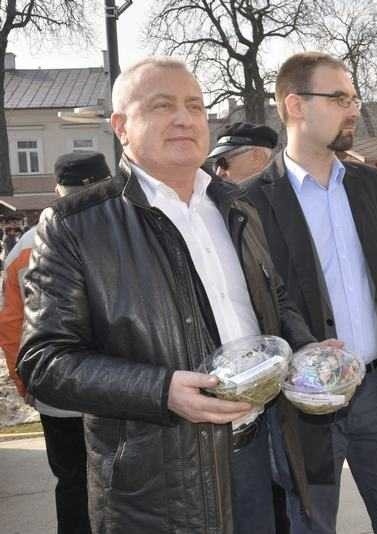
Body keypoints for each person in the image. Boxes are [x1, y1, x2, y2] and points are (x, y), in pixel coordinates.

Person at [16, 57, 326, 534]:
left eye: (195, 106)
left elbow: (274, 302)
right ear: (121, 126)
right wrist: (161, 391)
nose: (184, 118)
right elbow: (44, 364)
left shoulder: (236, 206)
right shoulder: (77, 226)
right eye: (162, 106)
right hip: (160, 482)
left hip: (258, 455)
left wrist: (306, 349)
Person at [242, 51, 377, 534]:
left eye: (354, 97)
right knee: (309, 524)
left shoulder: (368, 185)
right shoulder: (250, 202)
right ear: (295, 106)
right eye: (340, 98)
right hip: (302, 404)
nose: (354, 109)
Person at [0, 150, 111, 534]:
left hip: (57, 390)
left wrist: (24, 382)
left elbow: (11, 326)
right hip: (123, 386)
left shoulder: (26, 246)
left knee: (73, 482)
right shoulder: (129, 231)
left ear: (56, 190)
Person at [210, 121, 279, 183]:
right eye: (216, 165)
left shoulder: (285, 193)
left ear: (258, 158)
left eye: (223, 163)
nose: (218, 173)